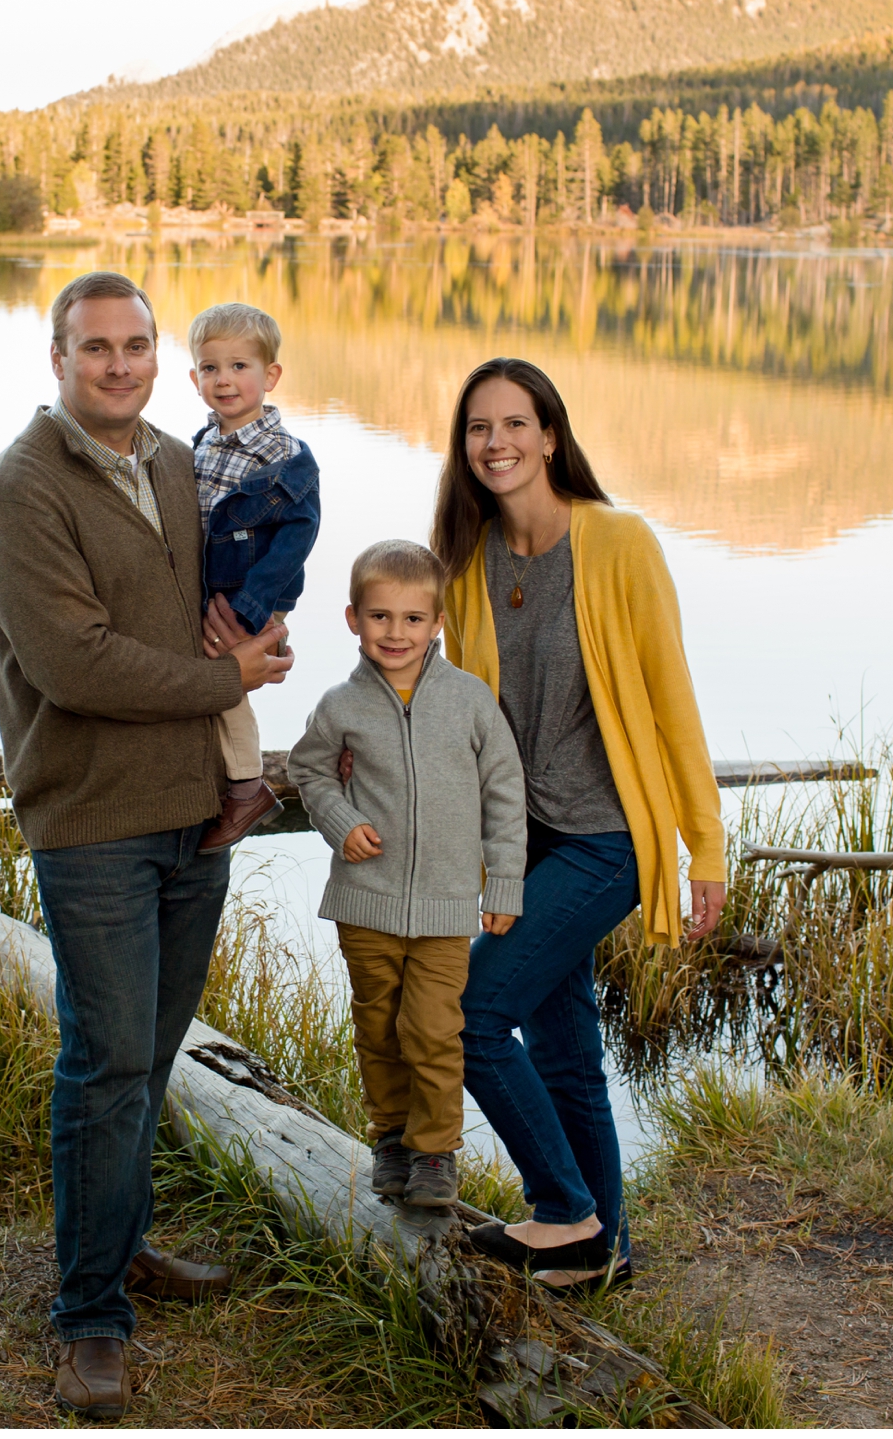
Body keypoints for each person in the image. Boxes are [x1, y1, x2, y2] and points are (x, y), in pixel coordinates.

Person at [0, 270, 294, 1419]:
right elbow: (77, 664)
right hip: (96, 818)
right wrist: (225, 677)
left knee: (149, 1058)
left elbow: (204, 595)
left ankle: (121, 1243)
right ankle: (89, 1315)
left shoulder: (173, 458)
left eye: (138, 344)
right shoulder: (19, 491)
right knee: (105, 1065)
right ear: (56, 356)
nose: (120, 363)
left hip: (195, 812)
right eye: (96, 346)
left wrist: (256, 627)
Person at [434, 357, 728, 1295]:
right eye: (479, 428)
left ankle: (566, 1213)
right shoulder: (467, 562)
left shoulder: (618, 541)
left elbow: (674, 696)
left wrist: (704, 845)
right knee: (567, 1057)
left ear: (552, 435)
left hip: (607, 840)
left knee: (473, 1018)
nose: (497, 443)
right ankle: (611, 1257)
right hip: (528, 845)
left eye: (515, 424)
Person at [285, 540, 526, 1211]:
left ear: (438, 622)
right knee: (378, 1028)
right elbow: (307, 770)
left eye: (413, 619)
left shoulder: (471, 702)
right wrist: (338, 817)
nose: (397, 632)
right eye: (381, 616)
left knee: (431, 1029)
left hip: (448, 907)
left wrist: (504, 883)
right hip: (367, 903)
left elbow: (506, 792)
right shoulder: (340, 705)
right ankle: (389, 1135)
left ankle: (434, 1152)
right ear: (352, 618)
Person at [187, 302, 321, 851]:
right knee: (206, 683)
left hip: (253, 595)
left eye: (240, 367)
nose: (225, 380)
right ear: (195, 378)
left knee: (226, 686)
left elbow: (299, 536)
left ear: (270, 376)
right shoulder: (202, 443)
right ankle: (218, 777)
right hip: (213, 591)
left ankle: (246, 788)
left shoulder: (283, 455)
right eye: (211, 368)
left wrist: (253, 605)